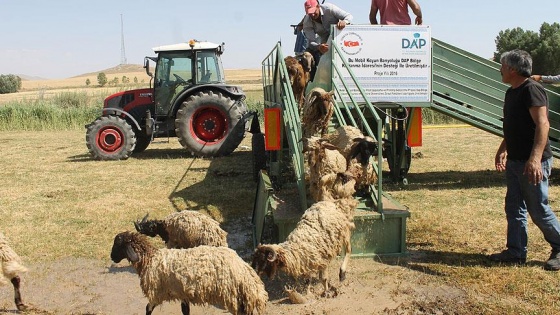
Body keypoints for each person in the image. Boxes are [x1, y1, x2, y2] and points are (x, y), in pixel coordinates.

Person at [489, 49, 560, 271]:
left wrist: (535, 159)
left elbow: (543, 124)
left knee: (537, 208)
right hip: (516, 160)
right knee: (514, 207)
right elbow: (514, 125)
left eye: (502, 66)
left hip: (532, 161)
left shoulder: (532, 89)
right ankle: (516, 252)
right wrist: (503, 148)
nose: (499, 69)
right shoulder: (512, 92)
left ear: (512, 69)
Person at [302, 0, 352, 80]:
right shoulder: (307, 22)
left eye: (314, 11)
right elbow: (311, 41)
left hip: (340, 38)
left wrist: (344, 22)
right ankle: (313, 80)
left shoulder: (329, 8)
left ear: (318, 6)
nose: (313, 15)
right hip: (325, 44)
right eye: (310, 13)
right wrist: (318, 47)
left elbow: (348, 16)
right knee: (307, 57)